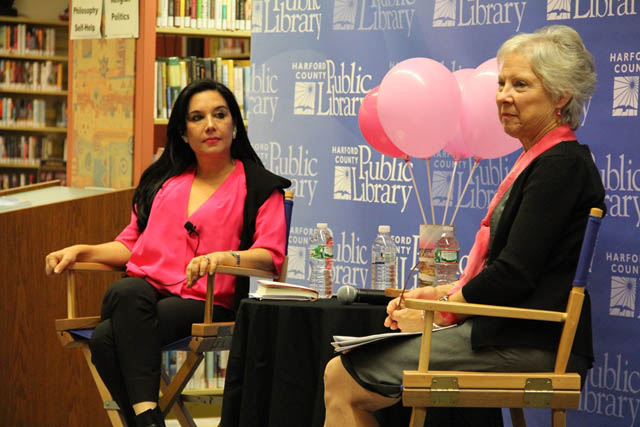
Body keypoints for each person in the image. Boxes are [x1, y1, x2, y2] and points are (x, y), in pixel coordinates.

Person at [324, 25, 606, 427]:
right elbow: (505, 271)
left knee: (341, 376)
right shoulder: (545, 160)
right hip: (511, 332)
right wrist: (438, 294)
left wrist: (438, 313)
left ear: (561, 96)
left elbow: (513, 274)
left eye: (521, 85)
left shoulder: (560, 166)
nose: (503, 96)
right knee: (345, 372)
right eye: (503, 82)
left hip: (529, 341)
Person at [45, 79, 291, 427]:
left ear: (234, 124)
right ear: (182, 131)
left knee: (106, 337)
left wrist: (223, 258)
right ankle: (150, 416)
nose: (210, 125)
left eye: (220, 115)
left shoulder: (260, 186)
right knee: (125, 290)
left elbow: (270, 257)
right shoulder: (162, 183)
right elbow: (130, 245)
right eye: (197, 117)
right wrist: (82, 250)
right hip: (146, 296)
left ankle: (144, 419)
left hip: (206, 302)